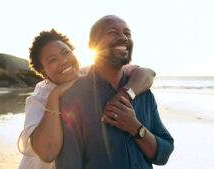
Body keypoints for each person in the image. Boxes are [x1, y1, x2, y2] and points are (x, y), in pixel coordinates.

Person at [18, 29, 156, 169]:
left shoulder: (89, 74)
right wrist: (55, 96)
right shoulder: (39, 99)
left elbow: (147, 74)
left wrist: (124, 95)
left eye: (66, 53)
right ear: (43, 71)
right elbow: (47, 153)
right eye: (53, 60)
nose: (64, 61)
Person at [56, 15, 174, 169]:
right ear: (92, 46)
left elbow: (164, 154)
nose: (123, 38)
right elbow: (69, 164)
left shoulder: (142, 92)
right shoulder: (73, 98)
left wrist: (136, 128)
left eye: (127, 33)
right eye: (112, 32)